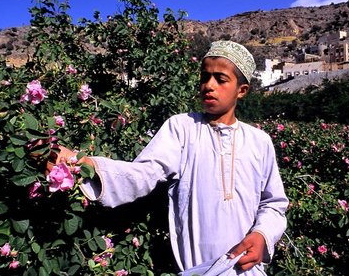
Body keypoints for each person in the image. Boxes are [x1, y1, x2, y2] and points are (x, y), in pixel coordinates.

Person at [50, 40, 288, 275]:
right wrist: (83, 164)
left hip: (246, 269)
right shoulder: (182, 128)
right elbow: (143, 174)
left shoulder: (260, 142)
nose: (209, 85)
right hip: (196, 270)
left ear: (242, 90)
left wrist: (263, 235)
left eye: (220, 79)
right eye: (205, 77)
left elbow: (274, 204)